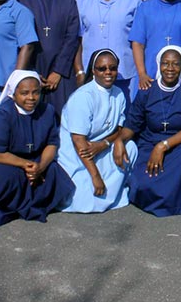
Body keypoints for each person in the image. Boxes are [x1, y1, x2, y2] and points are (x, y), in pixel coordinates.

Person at [0, 70, 75, 226]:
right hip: (3, 159)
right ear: (13, 94)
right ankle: (7, 207)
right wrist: (27, 165)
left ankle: (31, 205)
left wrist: (40, 167)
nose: (31, 98)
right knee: (8, 175)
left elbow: (52, 144)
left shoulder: (47, 110)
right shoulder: (3, 114)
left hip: (33, 158)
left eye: (36, 92)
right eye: (24, 93)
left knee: (52, 170)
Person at [119, 46, 181, 217]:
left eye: (175, 64)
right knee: (143, 185)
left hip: (179, 146)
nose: (170, 68)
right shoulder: (147, 91)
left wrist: (163, 146)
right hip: (149, 144)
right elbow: (132, 125)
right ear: (159, 65)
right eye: (166, 63)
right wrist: (118, 141)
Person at [57, 49, 136, 213]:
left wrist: (104, 144)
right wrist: (95, 176)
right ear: (93, 70)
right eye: (102, 68)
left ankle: (111, 194)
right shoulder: (83, 96)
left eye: (112, 68)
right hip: (77, 155)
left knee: (130, 147)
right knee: (80, 203)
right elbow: (78, 141)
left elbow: (119, 129)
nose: (108, 72)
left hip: (101, 149)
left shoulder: (119, 94)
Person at [18, 0, 80, 115]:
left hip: (62, 72)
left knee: (63, 115)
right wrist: (32, 73)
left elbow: (72, 37)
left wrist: (58, 71)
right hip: (34, 69)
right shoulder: (23, 0)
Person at [75, 0, 141, 101]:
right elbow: (77, 40)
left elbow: (139, 40)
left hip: (124, 72)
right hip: (92, 73)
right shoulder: (83, 1)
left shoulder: (133, 0)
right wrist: (79, 71)